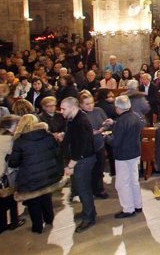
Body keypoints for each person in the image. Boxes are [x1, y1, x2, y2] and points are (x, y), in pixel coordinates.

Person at [8, 114, 63, 234]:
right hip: (48, 173)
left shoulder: (20, 141)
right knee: (46, 197)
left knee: (34, 201)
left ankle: (37, 227)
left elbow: (14, 163)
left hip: (30, 176)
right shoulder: (48, 136)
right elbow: (57, 152)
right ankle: (49, 219)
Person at [60, 97, 96, 233]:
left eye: (63, 109)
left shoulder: (80, 121)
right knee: (81, 188)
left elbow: (81, 146)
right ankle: (89, 211)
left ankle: (89, 218)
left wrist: (70, 165)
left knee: (83, 189)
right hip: (80, 159)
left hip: (83, 160)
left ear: (73, 108)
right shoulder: (73, 119)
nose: (61, 111)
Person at [105, 94, 144, 218]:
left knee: (122, 183)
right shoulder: (135, 116)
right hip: (135, 153)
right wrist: (114, 123)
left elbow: (116, 142)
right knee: (134, 181)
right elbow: (127, 127)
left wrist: (106, 137)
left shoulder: (122, 121)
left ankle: (128, 209)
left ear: (118, 108)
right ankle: (138, 205)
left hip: (123, 155)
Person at [79, 90, 109, 199]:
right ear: (81, 105)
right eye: (87, 104)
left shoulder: (98, 110)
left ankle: (99, 189)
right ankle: (88, 190)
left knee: (99, 168)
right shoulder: (79, 115)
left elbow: (107, 123)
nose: (90, 105)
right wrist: (89, 132)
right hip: (86, 147)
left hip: (99, 143)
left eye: (92, 103)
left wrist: (103, 128)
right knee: (88, 170)